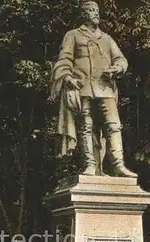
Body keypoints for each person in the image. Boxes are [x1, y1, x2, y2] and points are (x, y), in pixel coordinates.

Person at [51, 0, 137, 178]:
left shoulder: (106, 38)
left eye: (96, 10)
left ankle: (118, 165)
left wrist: (117, 69)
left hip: (105, 89)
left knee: (113, 126)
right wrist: (67, 77)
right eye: (90, 10)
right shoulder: (73, 35)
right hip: (84, 88)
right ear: (83, 14)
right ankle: (90, 165)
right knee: (86, 127)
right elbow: (64, 59)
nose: (95, 13)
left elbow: (121, 59)